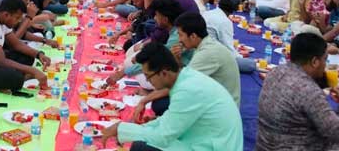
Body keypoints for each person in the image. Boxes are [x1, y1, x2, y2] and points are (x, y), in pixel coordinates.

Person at [100, 42, 242, 151]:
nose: (148, 81)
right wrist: (150, 124)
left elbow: (162, 137)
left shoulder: (188, 89)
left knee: (141, 147)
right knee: (142, 140)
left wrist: (121, 128)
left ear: (164, 72)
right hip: (204, 138)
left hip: (213, 145)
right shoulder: (185, 78)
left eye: (149, 77)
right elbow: (171, 121)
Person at [256, 33, 339, 150]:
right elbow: (336, 133)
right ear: (314, 62)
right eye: (325, 60)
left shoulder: (275, 72)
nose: (325, 65)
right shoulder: (309, 90)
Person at [174, 12, 240, 105]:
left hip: (221, 110)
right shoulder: (206, 45)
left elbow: (182, 83)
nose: (179, 40)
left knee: (163, 103)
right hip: (218, 100)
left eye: (180, 35)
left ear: (193, 36)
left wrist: (147, 99)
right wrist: (177, 59)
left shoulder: (208, 53)